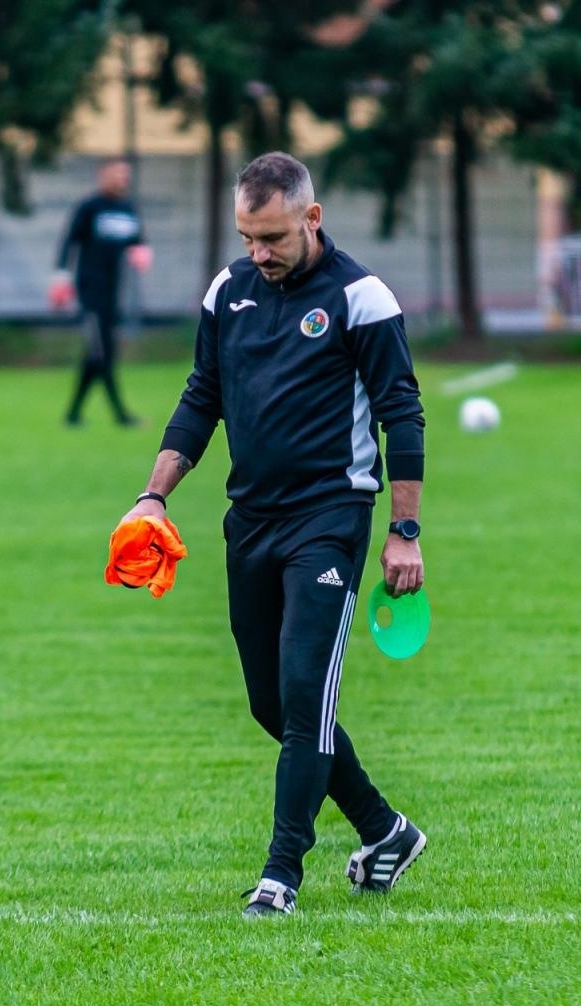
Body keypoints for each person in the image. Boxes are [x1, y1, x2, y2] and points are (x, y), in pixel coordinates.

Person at [116, 152, 428, 917]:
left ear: (311, 219)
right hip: (248, 521)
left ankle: (281, 872)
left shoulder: (361, 297)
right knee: (272, 704)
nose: (259, 253)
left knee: (303, 694)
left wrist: (405, 531)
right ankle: (386, 830)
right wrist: (153, 496)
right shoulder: (230, 292)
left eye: (274, 237)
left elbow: (402, 415)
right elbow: (201, 398)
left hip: (330, 519)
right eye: (248, 237)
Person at [54, 158, 153, 428]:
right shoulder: (90, 207)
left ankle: (73, 414)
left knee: (96, 355)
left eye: (126, 174)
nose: (123, 179)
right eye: (117, 174)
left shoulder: (127, 209)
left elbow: (137, 241)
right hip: (90, 291)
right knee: (103, 353)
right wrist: (61, 277)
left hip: (112, 293)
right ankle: (121, 415)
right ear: (103, 175)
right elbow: (69, 241)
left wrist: (142, 252)